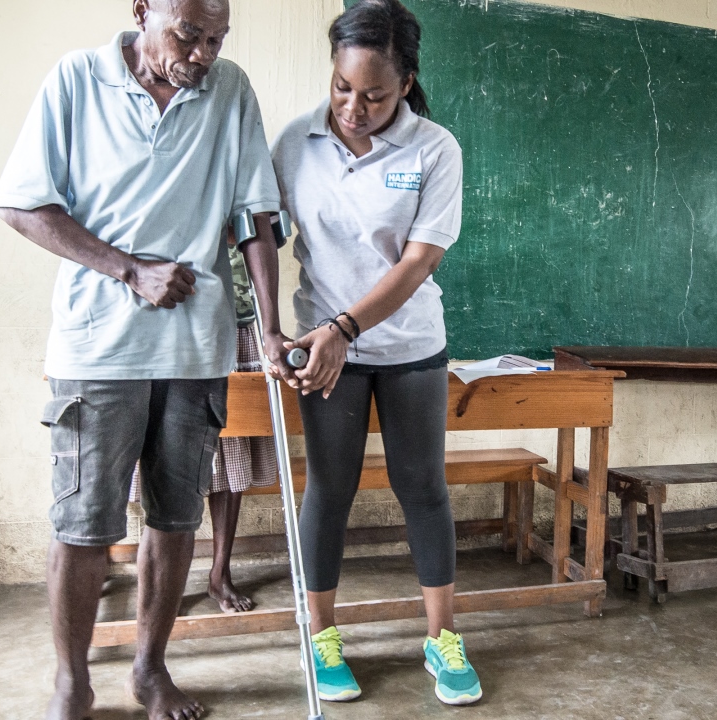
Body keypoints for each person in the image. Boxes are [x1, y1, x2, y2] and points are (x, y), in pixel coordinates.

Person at [0, 1, 291, 718]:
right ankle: (73, 680)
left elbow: (255, 215)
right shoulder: (76, 80)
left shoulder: (230, 91)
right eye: (189, 33)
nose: (204, 52)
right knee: (84, 522)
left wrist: (274, 327)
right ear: (142, 10)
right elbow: (22, 204)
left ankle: (151, 670)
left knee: (176, 517)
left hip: (195, 349)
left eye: (217, 37)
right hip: (97, 345)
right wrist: (129, 270)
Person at [270, 0, 481, 707]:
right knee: (328, 490)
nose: (353, 108)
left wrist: (345, 326)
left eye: (374, 95)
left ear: (407, 83)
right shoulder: (295, 142)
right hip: (321, 350)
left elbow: (418, 263)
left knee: (422, 486)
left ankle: (443, 638)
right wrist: (270, 325)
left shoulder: (435, 150)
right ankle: (322, 638)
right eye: (341, 88)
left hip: (409, 344)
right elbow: (259, 240)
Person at [128, 234, 278, 614]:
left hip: (237, 321)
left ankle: (219, 573)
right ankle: (165, 578)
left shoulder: (249, 183)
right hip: (164, 320)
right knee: (164, 455)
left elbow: (267, 237)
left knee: (233, 450)